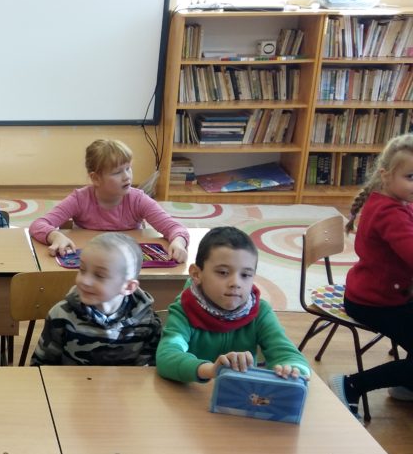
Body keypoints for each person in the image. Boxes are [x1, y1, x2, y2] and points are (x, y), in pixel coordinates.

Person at [156, 226, 310, 383]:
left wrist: (294, 369)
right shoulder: (184, 310)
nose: (235, 283)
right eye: (223, 272)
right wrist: (211, 370)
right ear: (196, 274)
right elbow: (167, 357)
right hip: (194, 392)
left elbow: (288, 353)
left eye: (245, 275)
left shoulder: (260, 312)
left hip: (243, 393)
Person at [330, 133, 413, 415]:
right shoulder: (390, 214)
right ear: (386, 175)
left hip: (382, 294)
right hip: (375, 302)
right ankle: (351, 385)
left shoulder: (399, 201)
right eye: (410, 176)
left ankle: (406, 384)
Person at [29, 139, 189, 262]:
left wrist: (178, 242)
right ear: (96, 178)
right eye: (117, 172)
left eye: (128, 168)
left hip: (125, 263)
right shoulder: (80, 199)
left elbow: (176, 229)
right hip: (90, 262)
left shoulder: (138, 200)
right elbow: (38, 225)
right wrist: (56, 236)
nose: (127, 176)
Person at [31, 233, 162, 366]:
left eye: (100, 275)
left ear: (128, 287)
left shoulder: (148, 322)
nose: (85, 281)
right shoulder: (61, 314)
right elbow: (41, 366)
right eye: (82, 269)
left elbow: (146, 373)